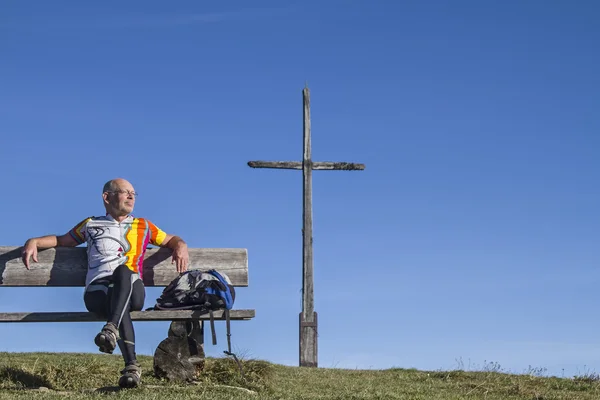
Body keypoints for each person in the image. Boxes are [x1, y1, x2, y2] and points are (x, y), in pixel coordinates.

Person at [20, 178, 189, 389]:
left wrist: (180, 245)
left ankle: (112, 331)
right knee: (118, 301)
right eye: (125, 192)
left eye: (133, 193)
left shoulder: (144, 226)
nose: (130, 196)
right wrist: (33, 241)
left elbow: (171, 240)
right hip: (97, 292)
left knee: (124, 271)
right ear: (107, 197)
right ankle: (131, 368)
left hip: (132, 287)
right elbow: (63, 240)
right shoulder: (91, 224)